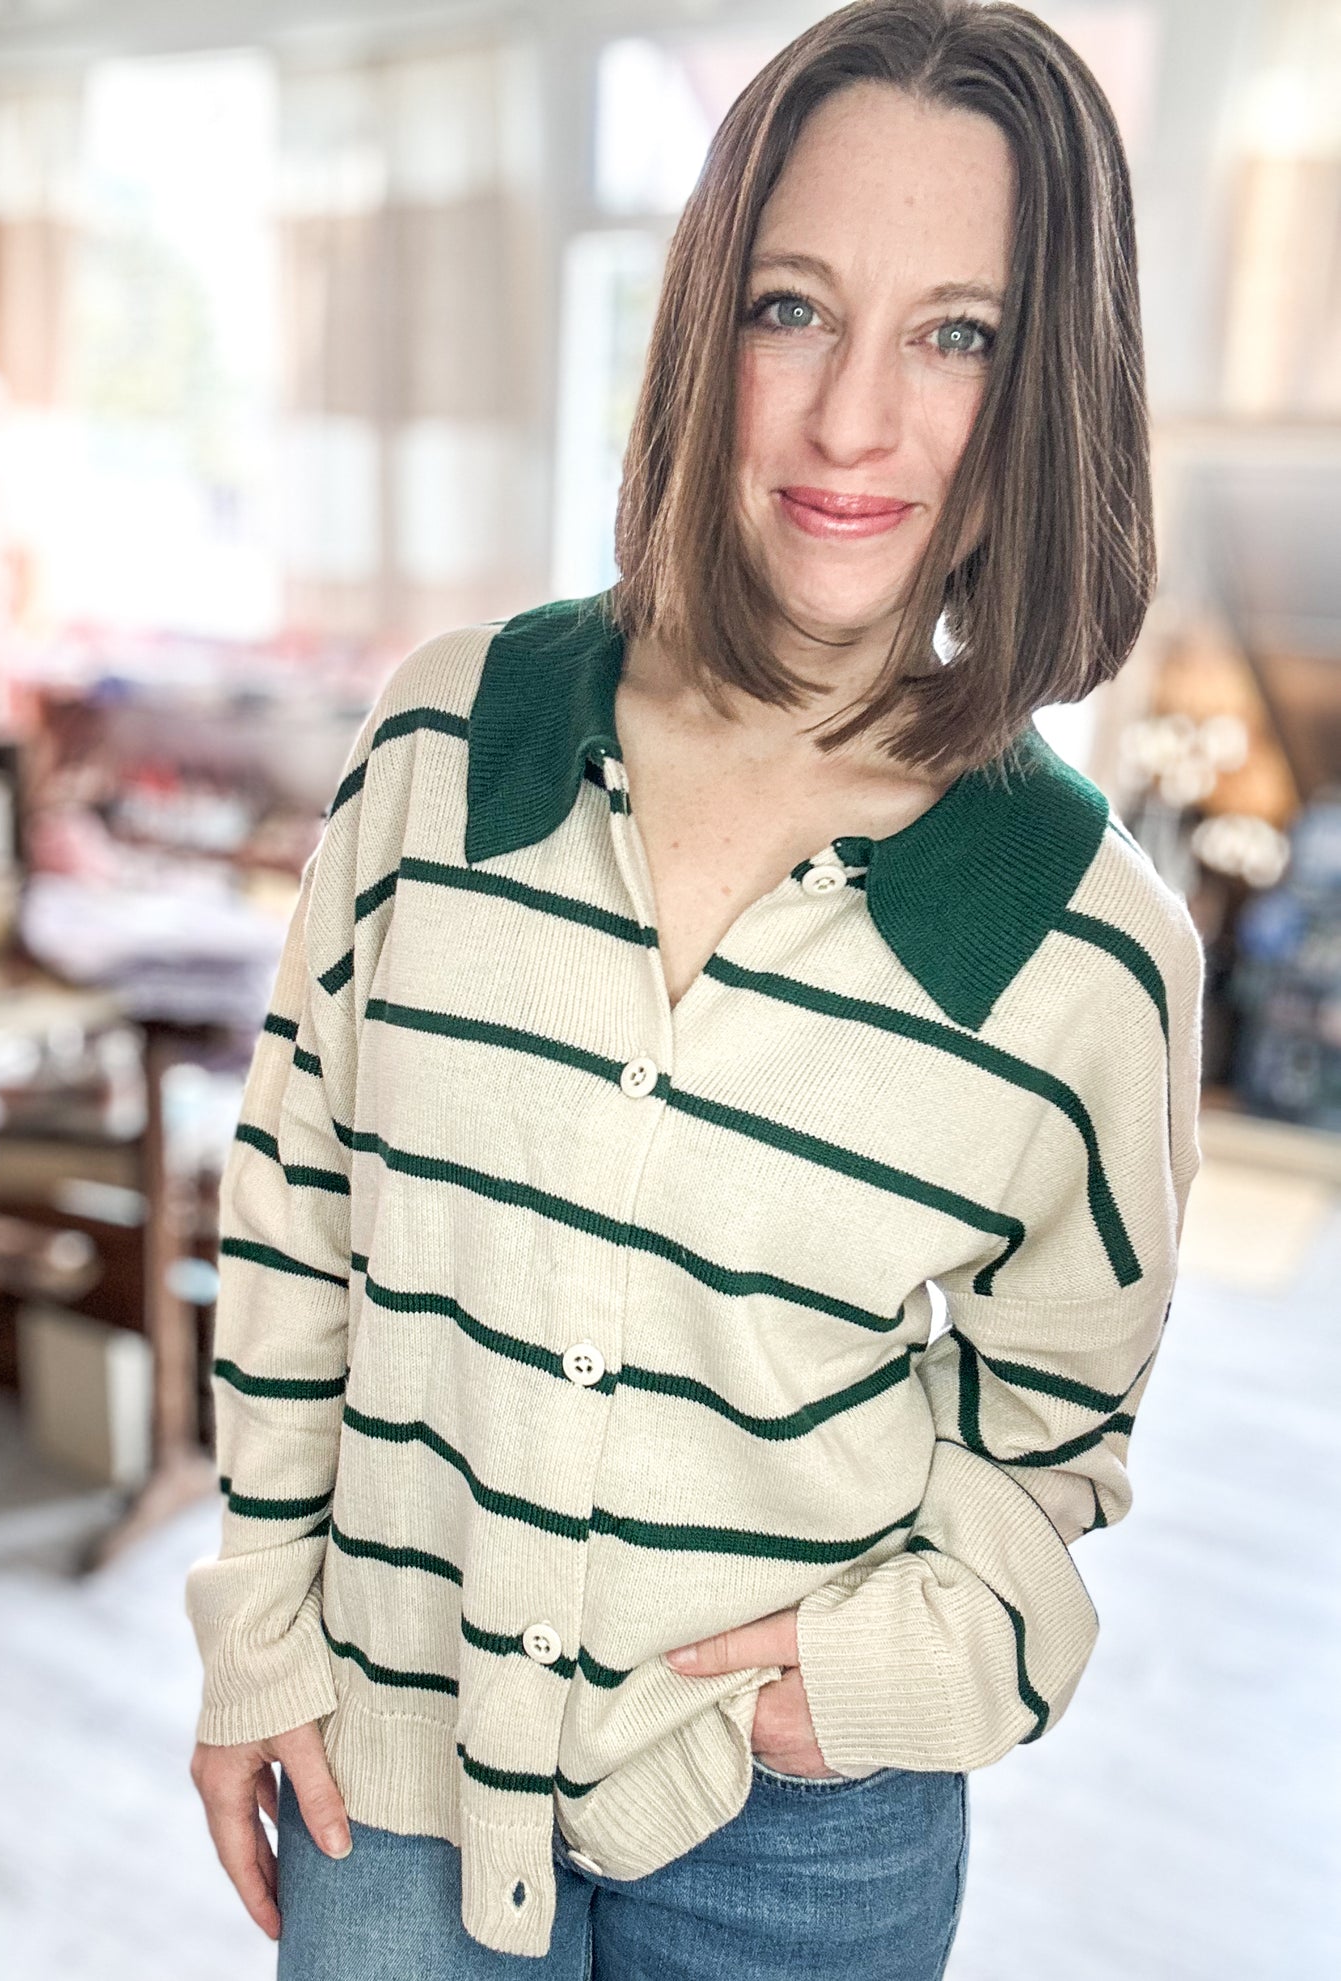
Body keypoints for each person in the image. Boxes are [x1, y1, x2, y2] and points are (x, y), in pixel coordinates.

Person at [185, 1, 1204, 1974]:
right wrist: (255, 1633)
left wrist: (893, 1668)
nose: (851, 422)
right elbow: (297, 1206)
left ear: (1045, 377)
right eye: (794, 308)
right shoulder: (450, 742)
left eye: (958, 334)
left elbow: (1053, 1421)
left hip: (798, 1826)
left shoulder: (1082, 933)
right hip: (391, 1769)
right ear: (702, 321)